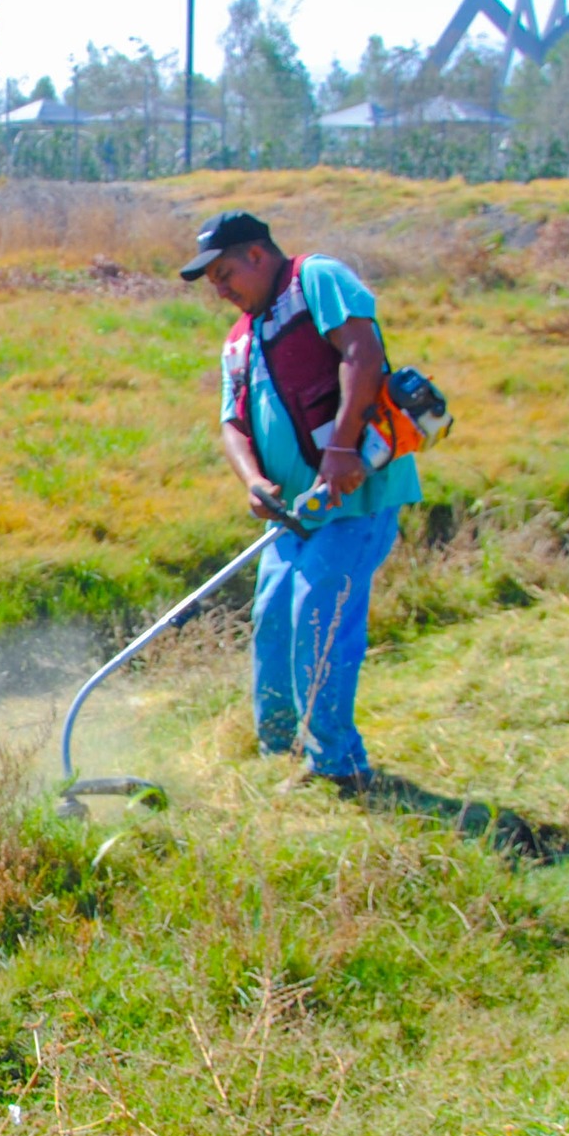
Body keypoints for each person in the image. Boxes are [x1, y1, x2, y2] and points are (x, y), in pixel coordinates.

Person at [181, 211, 421, 792]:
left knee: (318, 619)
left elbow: (361, 353)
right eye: (212, 280)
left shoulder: (315, 279)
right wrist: (253, 483)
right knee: (272, 620)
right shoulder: (240, 339)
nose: (220, 289)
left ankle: (339, 767)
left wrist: (340, 447)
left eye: (225, 272)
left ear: (258, 255)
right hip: (294, 513)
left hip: (354, 499)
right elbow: (232, 424)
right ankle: (280, 751)